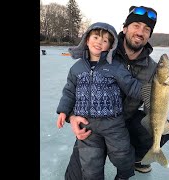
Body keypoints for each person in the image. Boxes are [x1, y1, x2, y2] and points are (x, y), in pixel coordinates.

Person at [64, 5, 169, 180]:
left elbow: (156, 106)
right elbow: (76, 84)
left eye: (147, 29)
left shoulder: (153, 68)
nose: (140, 32)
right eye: (136, 25)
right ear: (125, 28)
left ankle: (137, 159)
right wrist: (71, 116)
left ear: (149, 36)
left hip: (124, 124)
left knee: (163, 130)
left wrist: (168, 85)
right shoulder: (103, 51)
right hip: (93, 123)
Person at [56, 22, 146, 180]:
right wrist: (64, 111)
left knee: (122, 155)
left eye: (105, 41)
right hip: (87, 126)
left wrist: (157, 88)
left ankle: (124, 175)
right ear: (87, 40)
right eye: (96, 37)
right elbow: (69, 91)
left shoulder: (115, 67)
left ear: (110, 47)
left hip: (113, 124)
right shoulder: (76, 68)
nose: (99, 42)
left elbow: (132, 87)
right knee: (90, 165)